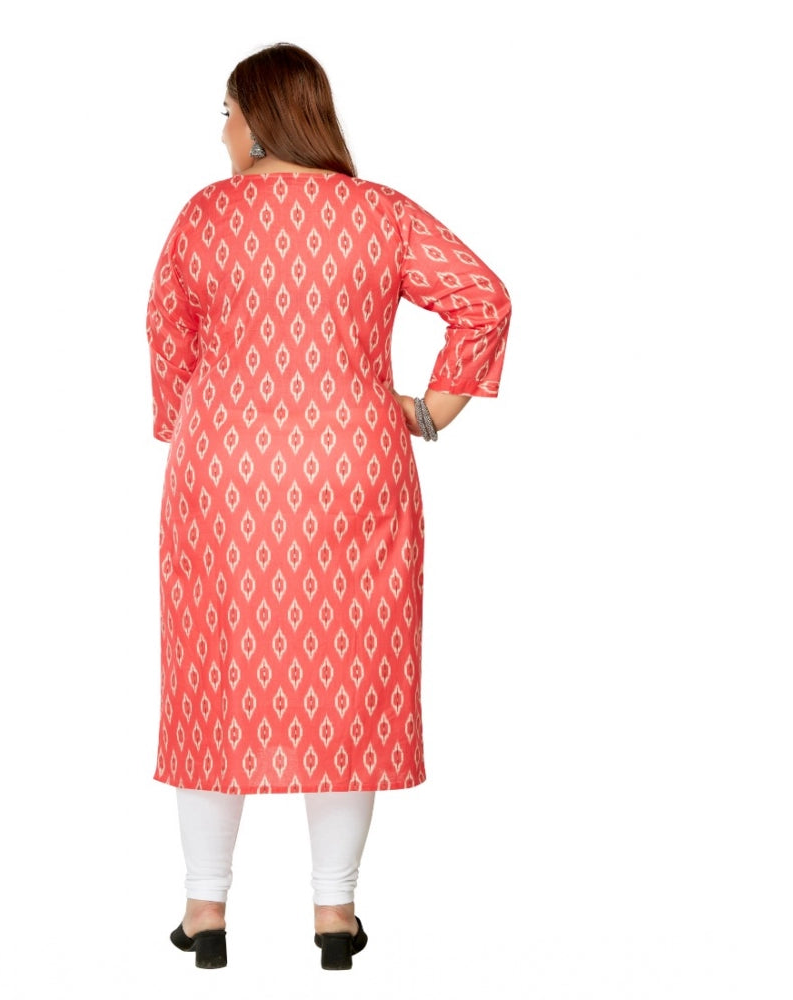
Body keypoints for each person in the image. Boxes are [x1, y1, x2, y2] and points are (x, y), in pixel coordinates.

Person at [145, 42, 511, 971]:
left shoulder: (205, 217)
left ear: (261, 120)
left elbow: (168, 335)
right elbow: (483, 298)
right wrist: (429, 411)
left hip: (225, 476)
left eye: (227, 113)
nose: (222, 134)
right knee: (349, 679)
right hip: (354, 467)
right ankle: (335, 916)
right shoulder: (379, 214)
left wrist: (188, 423)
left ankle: (205, 911)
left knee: (213, 680)